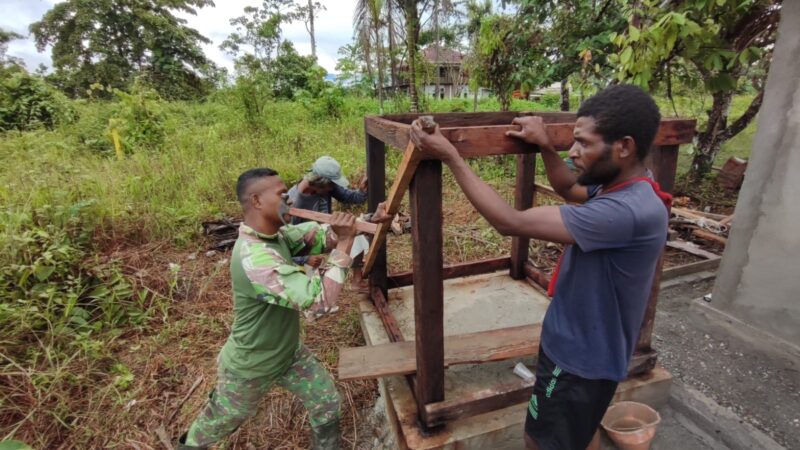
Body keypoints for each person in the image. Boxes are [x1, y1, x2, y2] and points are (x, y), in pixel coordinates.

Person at [406, 85, 669, 450]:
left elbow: (509, 222)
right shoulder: (628, 187)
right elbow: (570, 189)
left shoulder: (624, 213)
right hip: (594, 355)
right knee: (578, 431)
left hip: (576, 363)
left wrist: (451, 155)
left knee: (541, 441)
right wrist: (546, 144)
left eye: (584, 144)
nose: (574, 152)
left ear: (624, 147)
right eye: (572, 141)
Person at [177, 168, 357, 450]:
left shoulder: (277, 236)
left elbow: (320, 236)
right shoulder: (255, 257)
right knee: (221, 422)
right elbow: (319, 300)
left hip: (288, 354)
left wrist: (367, 222)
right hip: (251, 367)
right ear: (257, 201)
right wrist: (346, 242)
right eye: (282, 195)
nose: (291, 200)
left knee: (326, 402)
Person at [287, 156, 367, 269]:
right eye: (332, 185)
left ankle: (356, 282)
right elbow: (285, 246)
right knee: (311, 280)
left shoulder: (326, 187)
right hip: (306, 248)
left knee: (357, 237)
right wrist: (304, 260)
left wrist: (362, 191)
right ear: (321, 183)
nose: (333, 188)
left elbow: (350, 197)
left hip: (325, 235)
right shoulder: (293, 204)